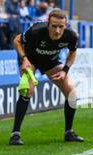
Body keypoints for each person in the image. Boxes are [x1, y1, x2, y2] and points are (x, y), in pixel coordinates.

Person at [9, 9, 85, 144]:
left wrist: (65, 71)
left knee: (71, 91)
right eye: (54, 26)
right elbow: (17, 40)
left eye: (61, 26)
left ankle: (69, 132)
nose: (57, 30)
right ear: (48, 23)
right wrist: (24, 59)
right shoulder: (36, 30)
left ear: (65, 25)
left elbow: (72, 53)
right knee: (28, 90)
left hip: (50, 61)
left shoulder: (71, 36)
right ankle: (15, 134)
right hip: (29, 59)